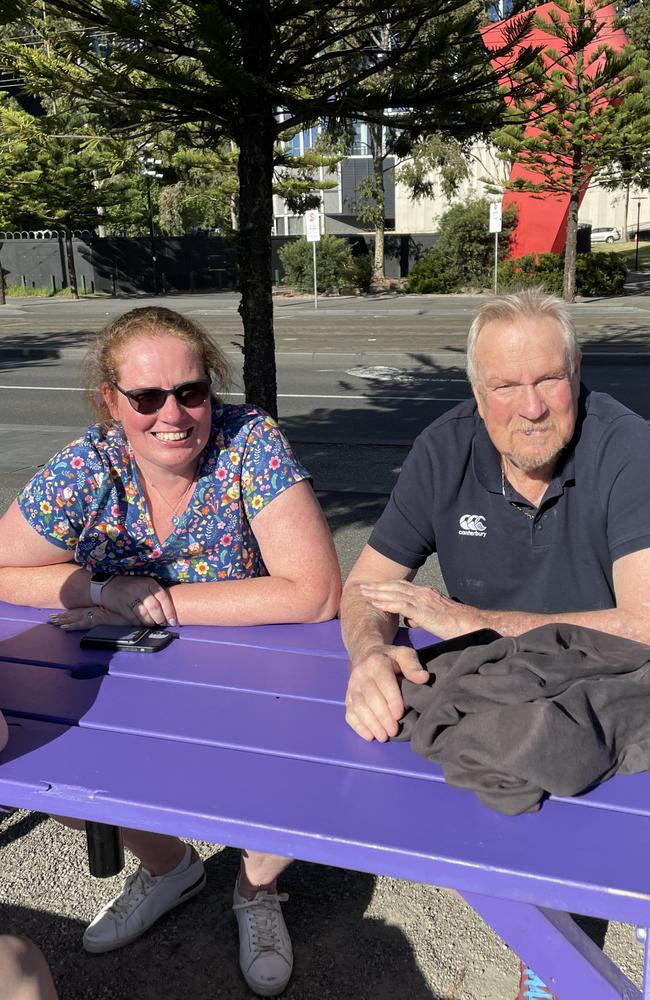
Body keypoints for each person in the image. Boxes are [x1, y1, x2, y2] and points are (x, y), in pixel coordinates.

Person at [0, 306, 341, 997]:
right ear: (111, 401)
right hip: (131, 679)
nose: (173, 415)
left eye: (191, 392)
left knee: (286, 773)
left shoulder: (251, 444)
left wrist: (148, 600)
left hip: (255, 672)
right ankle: (170, 869)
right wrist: (98, 584)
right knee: (60, 778)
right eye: (147, 397)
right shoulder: (87, 467)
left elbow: (314, 592)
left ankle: (255, 892)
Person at [340, 288, 650, 1000]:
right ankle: (553, 967)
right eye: (506, 385)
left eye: (548, 380)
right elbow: (365, 588)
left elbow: (645, 622)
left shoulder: (628, 446)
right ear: (478, 394)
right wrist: (367, 656)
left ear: (576, 377)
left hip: (618, 699)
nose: (531, 407)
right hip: (509, 706)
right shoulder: (445, 447)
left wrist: (473, 620)